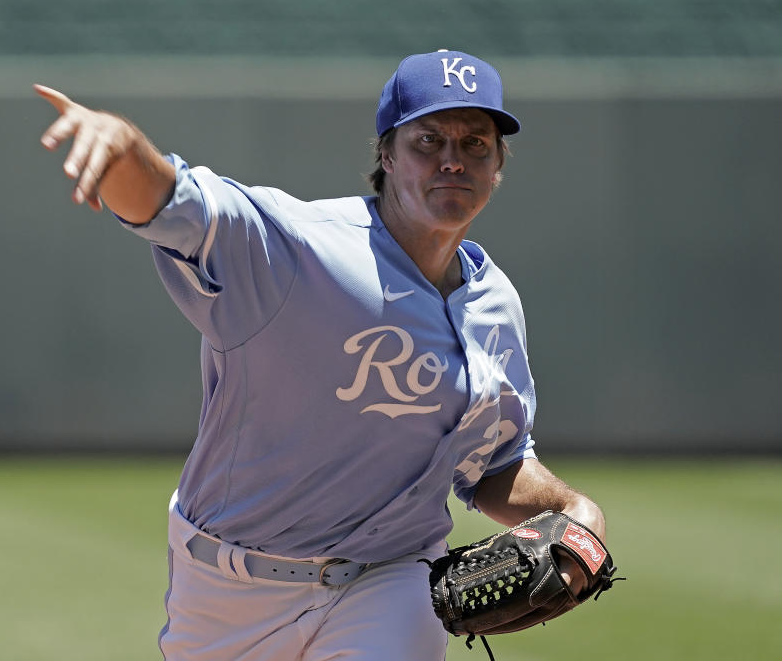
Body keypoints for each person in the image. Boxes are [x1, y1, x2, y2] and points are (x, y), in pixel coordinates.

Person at [35, 49, 606, 661]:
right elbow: (177, 204)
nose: (452, 159)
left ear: (497, 166)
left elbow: (492, 462)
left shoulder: (494, 304)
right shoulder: (302, 248)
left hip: (390, 578)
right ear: (386, 154)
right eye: (429, 139)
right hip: (230, 587)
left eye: (476, 143)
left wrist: (573, 508)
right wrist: (122, 146)